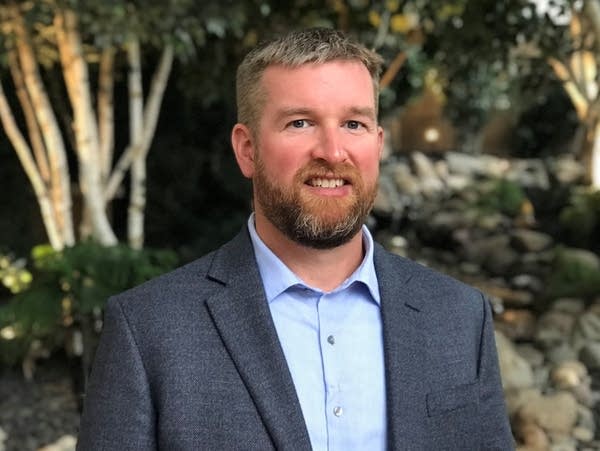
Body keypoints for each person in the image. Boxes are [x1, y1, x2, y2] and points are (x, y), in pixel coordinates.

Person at [77, 28, 514, 450]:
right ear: (247, 149)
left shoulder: (460, 317)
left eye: (354, 124)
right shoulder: (149, 331)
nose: (333, 151)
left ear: (377, 144)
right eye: (300, 122)